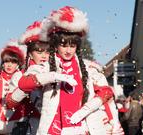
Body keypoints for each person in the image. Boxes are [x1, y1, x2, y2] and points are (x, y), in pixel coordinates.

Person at [30, 6, 115, 135]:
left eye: (72, 46)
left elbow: (107, 91)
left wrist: (86, 109)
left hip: (82, 128)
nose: (68, 51)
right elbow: (23, 84)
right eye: (63, 45)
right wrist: (53, 76)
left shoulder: (87, 67)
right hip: (53, 129)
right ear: (56, 45)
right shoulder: (44, 67)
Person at [5, 20, 77, 135]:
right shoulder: (20, 75)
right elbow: (9, 103)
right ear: (30, 54)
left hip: (53, 128)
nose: (44, 56)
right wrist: (29, 85)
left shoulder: (59, 71)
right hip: (28, 127)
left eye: (47, 52)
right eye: (39, 52)